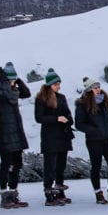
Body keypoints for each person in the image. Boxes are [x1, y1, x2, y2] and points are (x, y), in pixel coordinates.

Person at [0, 63, 31, 209]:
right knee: (6, 163)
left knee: (17, 162)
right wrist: (7, 82)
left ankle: (13, 193)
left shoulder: (12, 89)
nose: (13, 83)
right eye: (11, 80)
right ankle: (4, 195)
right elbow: (7, 95)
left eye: (14, 81)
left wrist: (18, 81)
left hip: (16, 128)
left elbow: (26, 93)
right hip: (3, 128)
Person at [75, 77, 108, 204]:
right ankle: (98, 193)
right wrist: (94, 130)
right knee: (96, 166)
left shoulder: (104, 102)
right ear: (89, 90)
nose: (98, 90)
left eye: (98, 87)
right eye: (95, 88)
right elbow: (79, 124)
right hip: (94, 140)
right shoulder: (82, 104)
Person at [34, 68, 74, 206]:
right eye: (56, 84)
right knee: (50, 165)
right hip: (50, 137)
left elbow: (69, 115)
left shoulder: (61, 97)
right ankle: (49, 194)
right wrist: (57, 118)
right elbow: (39, 118)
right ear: (49, 85)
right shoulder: (41, 99)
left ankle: (60, 190)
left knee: (61, 165)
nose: (58, 86)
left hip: (63, 135)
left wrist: (67, 119)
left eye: (59, 84)